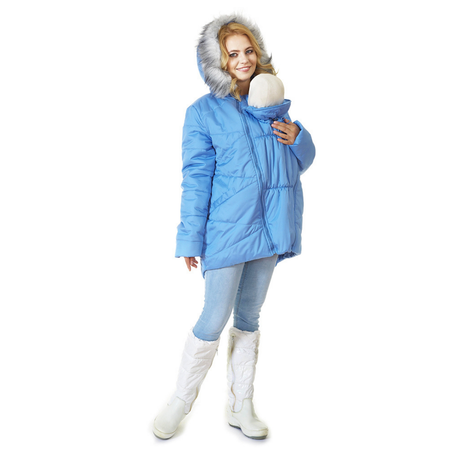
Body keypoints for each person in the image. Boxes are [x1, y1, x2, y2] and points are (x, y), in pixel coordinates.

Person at [152, 14, 315, 440]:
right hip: (227, 231)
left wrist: (298, 137)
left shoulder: (271, 105)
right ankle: (180, 400)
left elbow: (300, 163)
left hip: (270, 227)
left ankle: (241, 404)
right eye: (232, 53)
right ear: (217, 61)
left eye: (248, 51)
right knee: (213, 317)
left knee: (249, 317)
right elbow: (196, 178)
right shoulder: (202, 113)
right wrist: (190, 236)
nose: (243, 60)